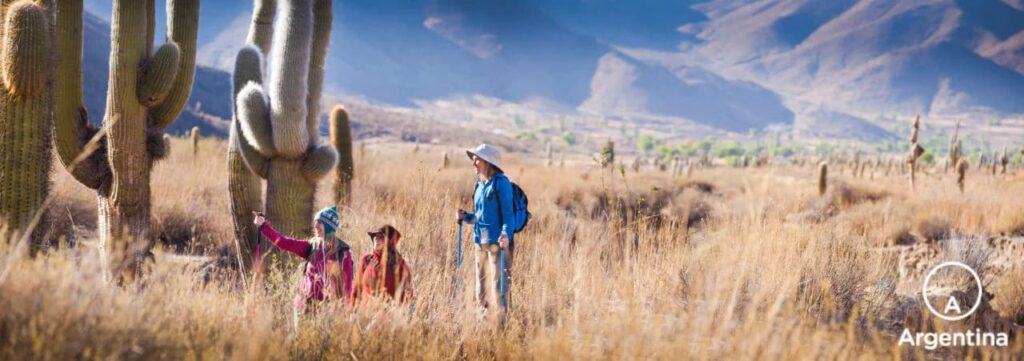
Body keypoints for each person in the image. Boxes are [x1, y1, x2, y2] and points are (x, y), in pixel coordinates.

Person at [252, 206, 353, 328]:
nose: (315, 226)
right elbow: (285, 243)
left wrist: (346, 309)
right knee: (300, 343)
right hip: (303, 304)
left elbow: (347, 285)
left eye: (320, 223)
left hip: (328, 309)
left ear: (329, 226)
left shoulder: (342, 252)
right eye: (315, 222)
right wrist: (264, 226)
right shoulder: (312, 245)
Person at [456, 144, 514, 319]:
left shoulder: (501, 183)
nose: (474, 164)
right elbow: (479, 217)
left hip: (498, 243)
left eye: (477, 160)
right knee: (480, 290)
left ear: (488, 162)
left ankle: (502, 325)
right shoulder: (479, 185)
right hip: (479, 242)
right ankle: (485, 321)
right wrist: (465, 217)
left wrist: (505, 234)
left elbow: (508, 215)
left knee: (499, 288)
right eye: (473, 160)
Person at [350, 224, 413, 305]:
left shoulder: (400, 266)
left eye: (380, 237)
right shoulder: (367, 260)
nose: (376, 239)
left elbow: (407, 297)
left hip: (388, 315)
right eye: (374, 236)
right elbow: (356, 291)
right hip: (364, 315)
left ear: (390, 241)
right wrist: (351, 312)